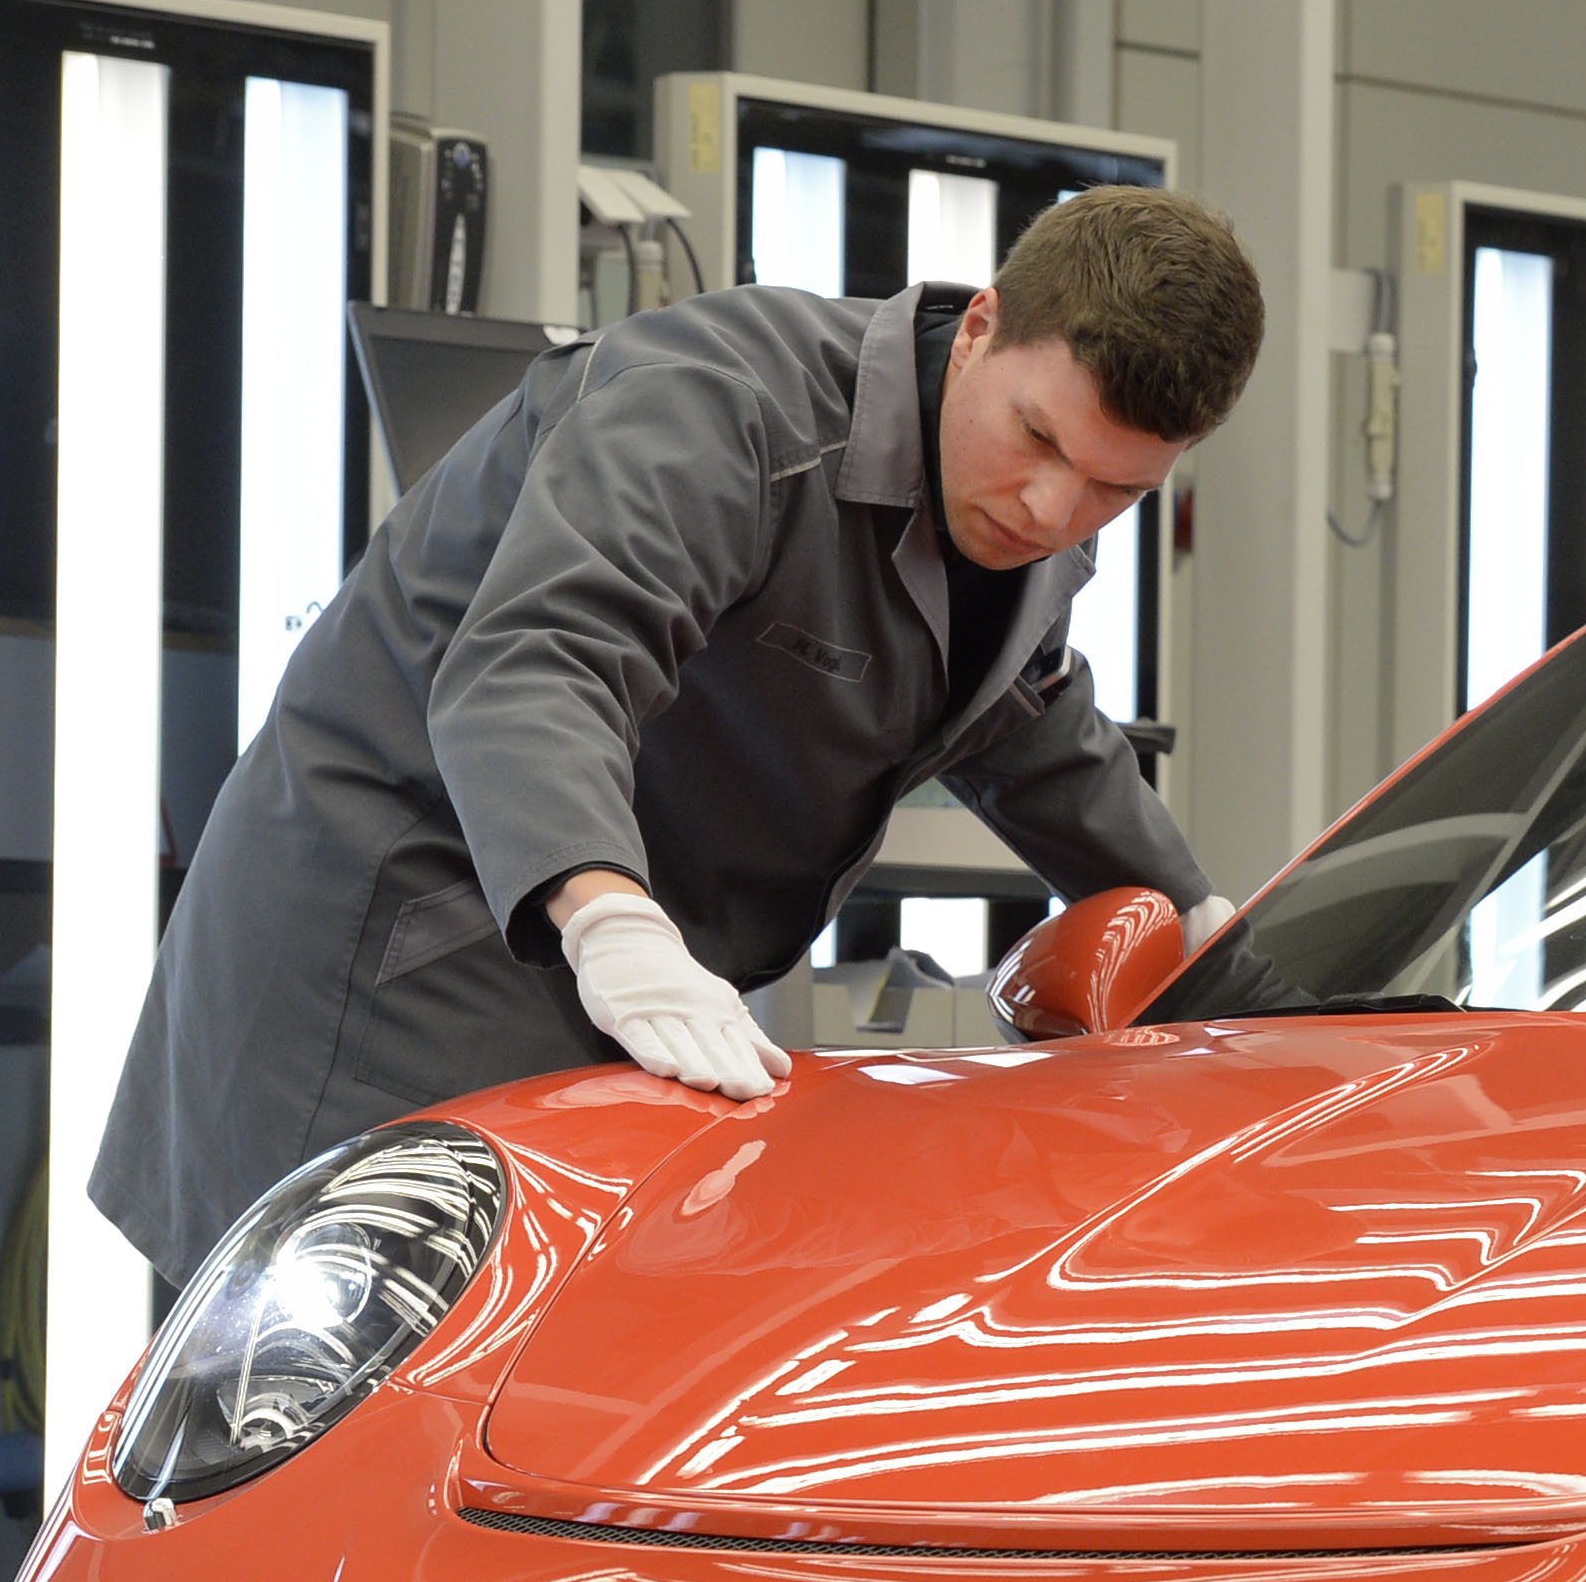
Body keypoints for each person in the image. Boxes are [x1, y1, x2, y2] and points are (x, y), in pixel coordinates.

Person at [94, 187, 1257, 1278]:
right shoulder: (718, 406)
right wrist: (614, 927)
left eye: (1115, 491)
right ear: (980, 328)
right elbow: (540, 667)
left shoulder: (1025, 510)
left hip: (604, 963)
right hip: (404, 933)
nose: (1054, 510)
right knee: (329, 1376)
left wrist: (1206, 928)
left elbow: (1022, 705)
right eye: (1038, 440)